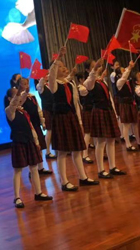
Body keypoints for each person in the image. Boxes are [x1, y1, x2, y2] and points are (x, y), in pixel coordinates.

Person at [48, 50, 99, 192]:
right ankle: (64, 182)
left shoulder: (69, 84)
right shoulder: (53, 84)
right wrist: (57, 59)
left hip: (71, 117)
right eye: (59, 66)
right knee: (62, 152)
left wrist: (79, 121)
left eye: (63, 65)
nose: (63, 68)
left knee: (77, 149)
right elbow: (51, 74)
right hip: (61, 118)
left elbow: (75, 103)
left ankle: (83, 177)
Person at [5, 88, 53, 208]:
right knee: (18, 170)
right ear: (9, 99)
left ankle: (38, 193)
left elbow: (31, 128)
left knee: (34, 167)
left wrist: (36, 141)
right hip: (19, 142)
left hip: (29, 141)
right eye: (15, 96)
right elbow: (14, 104)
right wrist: (19, 94)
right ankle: (17, 198)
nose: (19, 98)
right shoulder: (9, 111)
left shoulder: (23, 111)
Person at [83, 61, 126, 179]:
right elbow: (89, 81)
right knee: (100, 142)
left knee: (111, 140)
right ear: (88, 70)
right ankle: (101, 170)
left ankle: (112, 167)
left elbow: (109, 97)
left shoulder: (102, 81)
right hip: (99, 111)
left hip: (108, 110)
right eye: (93, 66)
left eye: (97, 66)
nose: (97, 68)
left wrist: (114, 113)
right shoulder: (89, 82)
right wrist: (94, 70)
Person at [17, 77, 53, 176]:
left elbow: (38, 109)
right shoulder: (20, 98)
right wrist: (24, 93)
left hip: (36, 123)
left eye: (27, 84)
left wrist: (43, 122)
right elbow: (21, 102)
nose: (27, 86)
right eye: (24, 84)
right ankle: (32, 171)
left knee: (39, 146)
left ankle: (41, 168)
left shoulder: (32, 96)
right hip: (28, 126)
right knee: (32, 148)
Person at [113, 61, 138, 152]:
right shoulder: (119, 82)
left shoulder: (128, 81)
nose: (125, 70)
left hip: (131, 102)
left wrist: (129, 67)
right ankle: (128, 144)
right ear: (119, 74)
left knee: (135, 123)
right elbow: (124, 77)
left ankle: (139, 142)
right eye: (123, 70)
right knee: (126, 125)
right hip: (124, 104)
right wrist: (130, 67)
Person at [36, 76, 56, 159]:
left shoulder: (49, 85)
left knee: (54, 130)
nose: (47, 76)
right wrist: (42, 78)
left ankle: (56, 149)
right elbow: (40, 84)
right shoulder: (39, 86)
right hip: (47, 110)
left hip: (53, 109)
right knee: (49, 130)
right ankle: (47, 152)